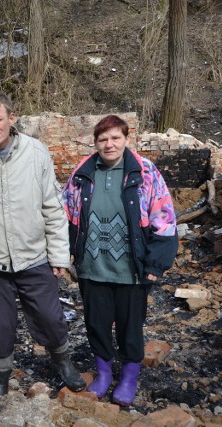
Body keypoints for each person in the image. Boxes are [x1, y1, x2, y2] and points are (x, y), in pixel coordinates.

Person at [0, 89, 86, 395]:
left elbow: (52, 206)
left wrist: (59, 256)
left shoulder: (36, 153)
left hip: (33, 256)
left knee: (50, 317)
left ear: (11, 118)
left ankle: (62, 361)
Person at [62, 114, 178, 406]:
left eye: (115, 138)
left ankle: (128, 378)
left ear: (127, 139)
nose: (109, 144)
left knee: (130, 326)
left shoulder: (145, 172)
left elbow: (164, 218)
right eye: (103, 139)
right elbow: (63, 214)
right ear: (96, 143)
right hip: (92, 267)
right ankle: (103, 375)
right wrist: (62, 254)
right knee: (96, 324)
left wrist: (155, 265)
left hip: (132, 270)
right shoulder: (83, 172)